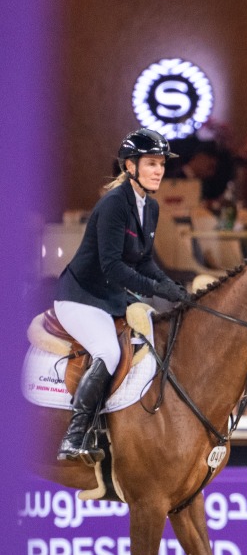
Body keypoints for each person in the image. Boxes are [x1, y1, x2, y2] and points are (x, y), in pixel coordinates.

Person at [53, 128, 190, 461]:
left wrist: (172, 287)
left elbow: (144, 261)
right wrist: (157, 289)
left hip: (111, 298)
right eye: (151, 163)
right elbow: (112, 266)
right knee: (108, 351)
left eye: (161, 164)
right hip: (81, 297)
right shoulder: (114, 204)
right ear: (130, 166)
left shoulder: (150, 208)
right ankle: (74, 436)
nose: (159, 170)